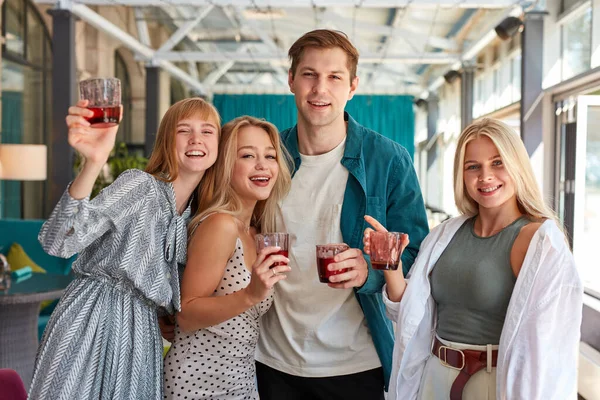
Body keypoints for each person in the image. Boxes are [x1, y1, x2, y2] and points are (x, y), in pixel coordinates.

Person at [254, 29, 429, 399]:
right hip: (270, 358)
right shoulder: (268, 157)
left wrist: (370, 268)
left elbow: (416, 255)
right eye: (309, 74)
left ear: (352, 87)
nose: (320, 89)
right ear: (291, 81)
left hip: (355, 363)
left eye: (334, 77)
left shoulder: (389, 160)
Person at [364, 118, 583, 400]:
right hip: (434, 377)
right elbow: (408, 314)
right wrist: (390, 264)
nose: (485, 176)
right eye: (473, 167)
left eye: (497, 163)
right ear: (461, 174)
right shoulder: (445, 234)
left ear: (517, 166)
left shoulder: (540, 242)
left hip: (493, 385)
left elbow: (551, 348)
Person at [29, 97, 221, 400]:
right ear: (167, 141)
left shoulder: (197, 217)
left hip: (141, 332)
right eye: (184, 130)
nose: (196, 139)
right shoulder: (139, 186)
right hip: (93, 316)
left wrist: (163, 313)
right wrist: (93, 162)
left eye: (207, 131)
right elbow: (59, 242)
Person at [163, 116, 292, 399]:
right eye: (248, 155)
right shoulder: (220, 225)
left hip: (241, 379)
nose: (262, 164)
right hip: (196, 383)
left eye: (270, 156)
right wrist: (250, 294)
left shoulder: (259, 232)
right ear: (225, 166)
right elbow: (186, 314)